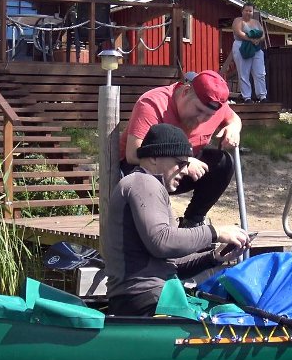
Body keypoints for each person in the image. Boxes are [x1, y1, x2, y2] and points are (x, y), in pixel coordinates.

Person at [103, 123, 251, 316]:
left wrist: (213, 258)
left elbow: (172, 264)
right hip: (143, 301)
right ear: (155, 157)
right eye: (181, 163)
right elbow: (162, 241)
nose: (185, 170)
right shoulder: (142, 182)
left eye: (187, 164)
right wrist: (215, 232)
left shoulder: (149, 186)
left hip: (147, 298)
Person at [119, 70, 241, 228]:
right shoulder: (153, 103)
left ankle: (193, 221)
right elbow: (133, 153)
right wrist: (185, 160)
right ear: (185, 92)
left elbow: (233, 117)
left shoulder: (214, 108)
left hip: (179, 171)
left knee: (223, 163)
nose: (201, 119)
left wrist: (234, 127)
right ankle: (151, 227)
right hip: (138, 173)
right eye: (198, 110)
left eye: (208, 116)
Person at [231, 2, 267, 103]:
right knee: (244, 72)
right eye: (246, 10)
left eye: (250, 11)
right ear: (242, 11)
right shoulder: (238, 20)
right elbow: (238, 32)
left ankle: (262, 96)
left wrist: (258, 40)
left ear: (253, 12)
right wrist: (250, 39)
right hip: (242, 46)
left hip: (256, 48)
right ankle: (247, 97)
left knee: (260, 73)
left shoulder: (256, 22)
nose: (248, 12)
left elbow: (263, 34)